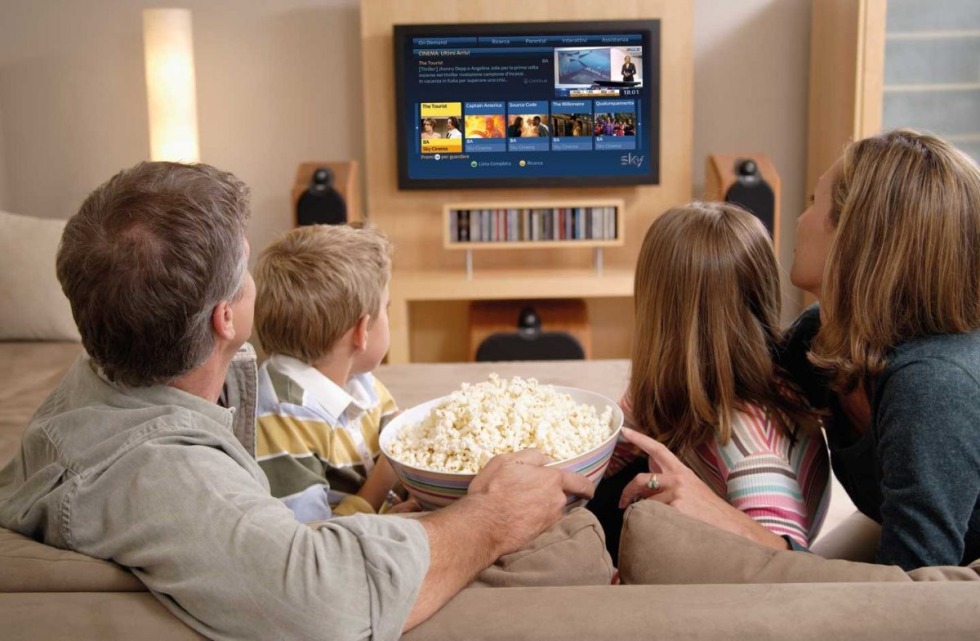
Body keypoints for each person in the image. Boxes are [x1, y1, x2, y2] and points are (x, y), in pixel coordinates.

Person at [0, 161, 595, 640]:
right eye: (246, 265)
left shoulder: (112, 367)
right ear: (226, 316)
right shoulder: (163, 475)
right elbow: (328, 599)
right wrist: (493, 519)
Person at [619, 129, 980, 571]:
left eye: (813, 201)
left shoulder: (933, 385)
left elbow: (912, 598)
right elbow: (726, 383)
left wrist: (725, 519)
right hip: (903, 541)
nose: (797, 219)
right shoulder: (820, 336)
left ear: (856, 239)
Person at [588, 202, 830, 561]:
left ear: (656, 311)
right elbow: (608, 459)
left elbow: (789, 572)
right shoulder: (669, 387)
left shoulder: (751, 449)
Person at [253, 224, 408, 522]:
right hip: (347, 547)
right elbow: (312, 539)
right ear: (361, 333)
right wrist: (388, 471)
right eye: (386, 308)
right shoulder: (283, 417)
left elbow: (399, 442)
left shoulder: (361, 382)